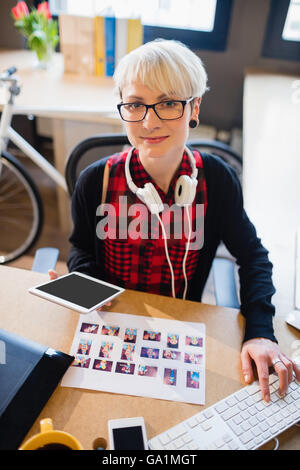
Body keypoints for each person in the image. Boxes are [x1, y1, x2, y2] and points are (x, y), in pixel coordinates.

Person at [49, 39, 300, 401]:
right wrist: (85, 283)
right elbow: (81, 248)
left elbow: (253, 256)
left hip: (183, 331)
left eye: (168, 103)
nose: (149, 121)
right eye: (135, 104)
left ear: (194, 107)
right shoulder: (96, 182)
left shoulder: (216, 181)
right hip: (116, 328)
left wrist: (260, 329)